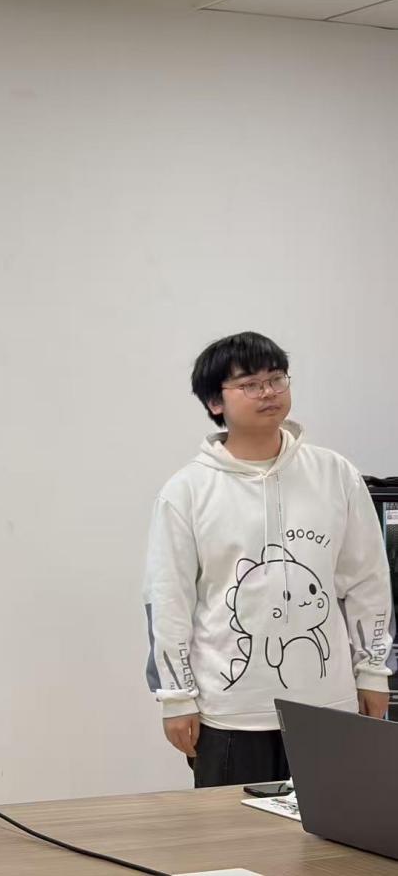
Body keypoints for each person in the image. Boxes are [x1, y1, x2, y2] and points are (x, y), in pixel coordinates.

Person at [144, 331, 393, 787]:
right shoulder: (187, 491)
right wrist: (177, 697)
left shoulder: (336, 474)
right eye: (250, 384)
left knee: (332, 829)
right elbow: (168, 599)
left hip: (328, 708)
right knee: (231, 831)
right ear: (215, 402)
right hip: (228, 715)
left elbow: (367, 580)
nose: (268, 392)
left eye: (277, 379)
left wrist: (373, 672)